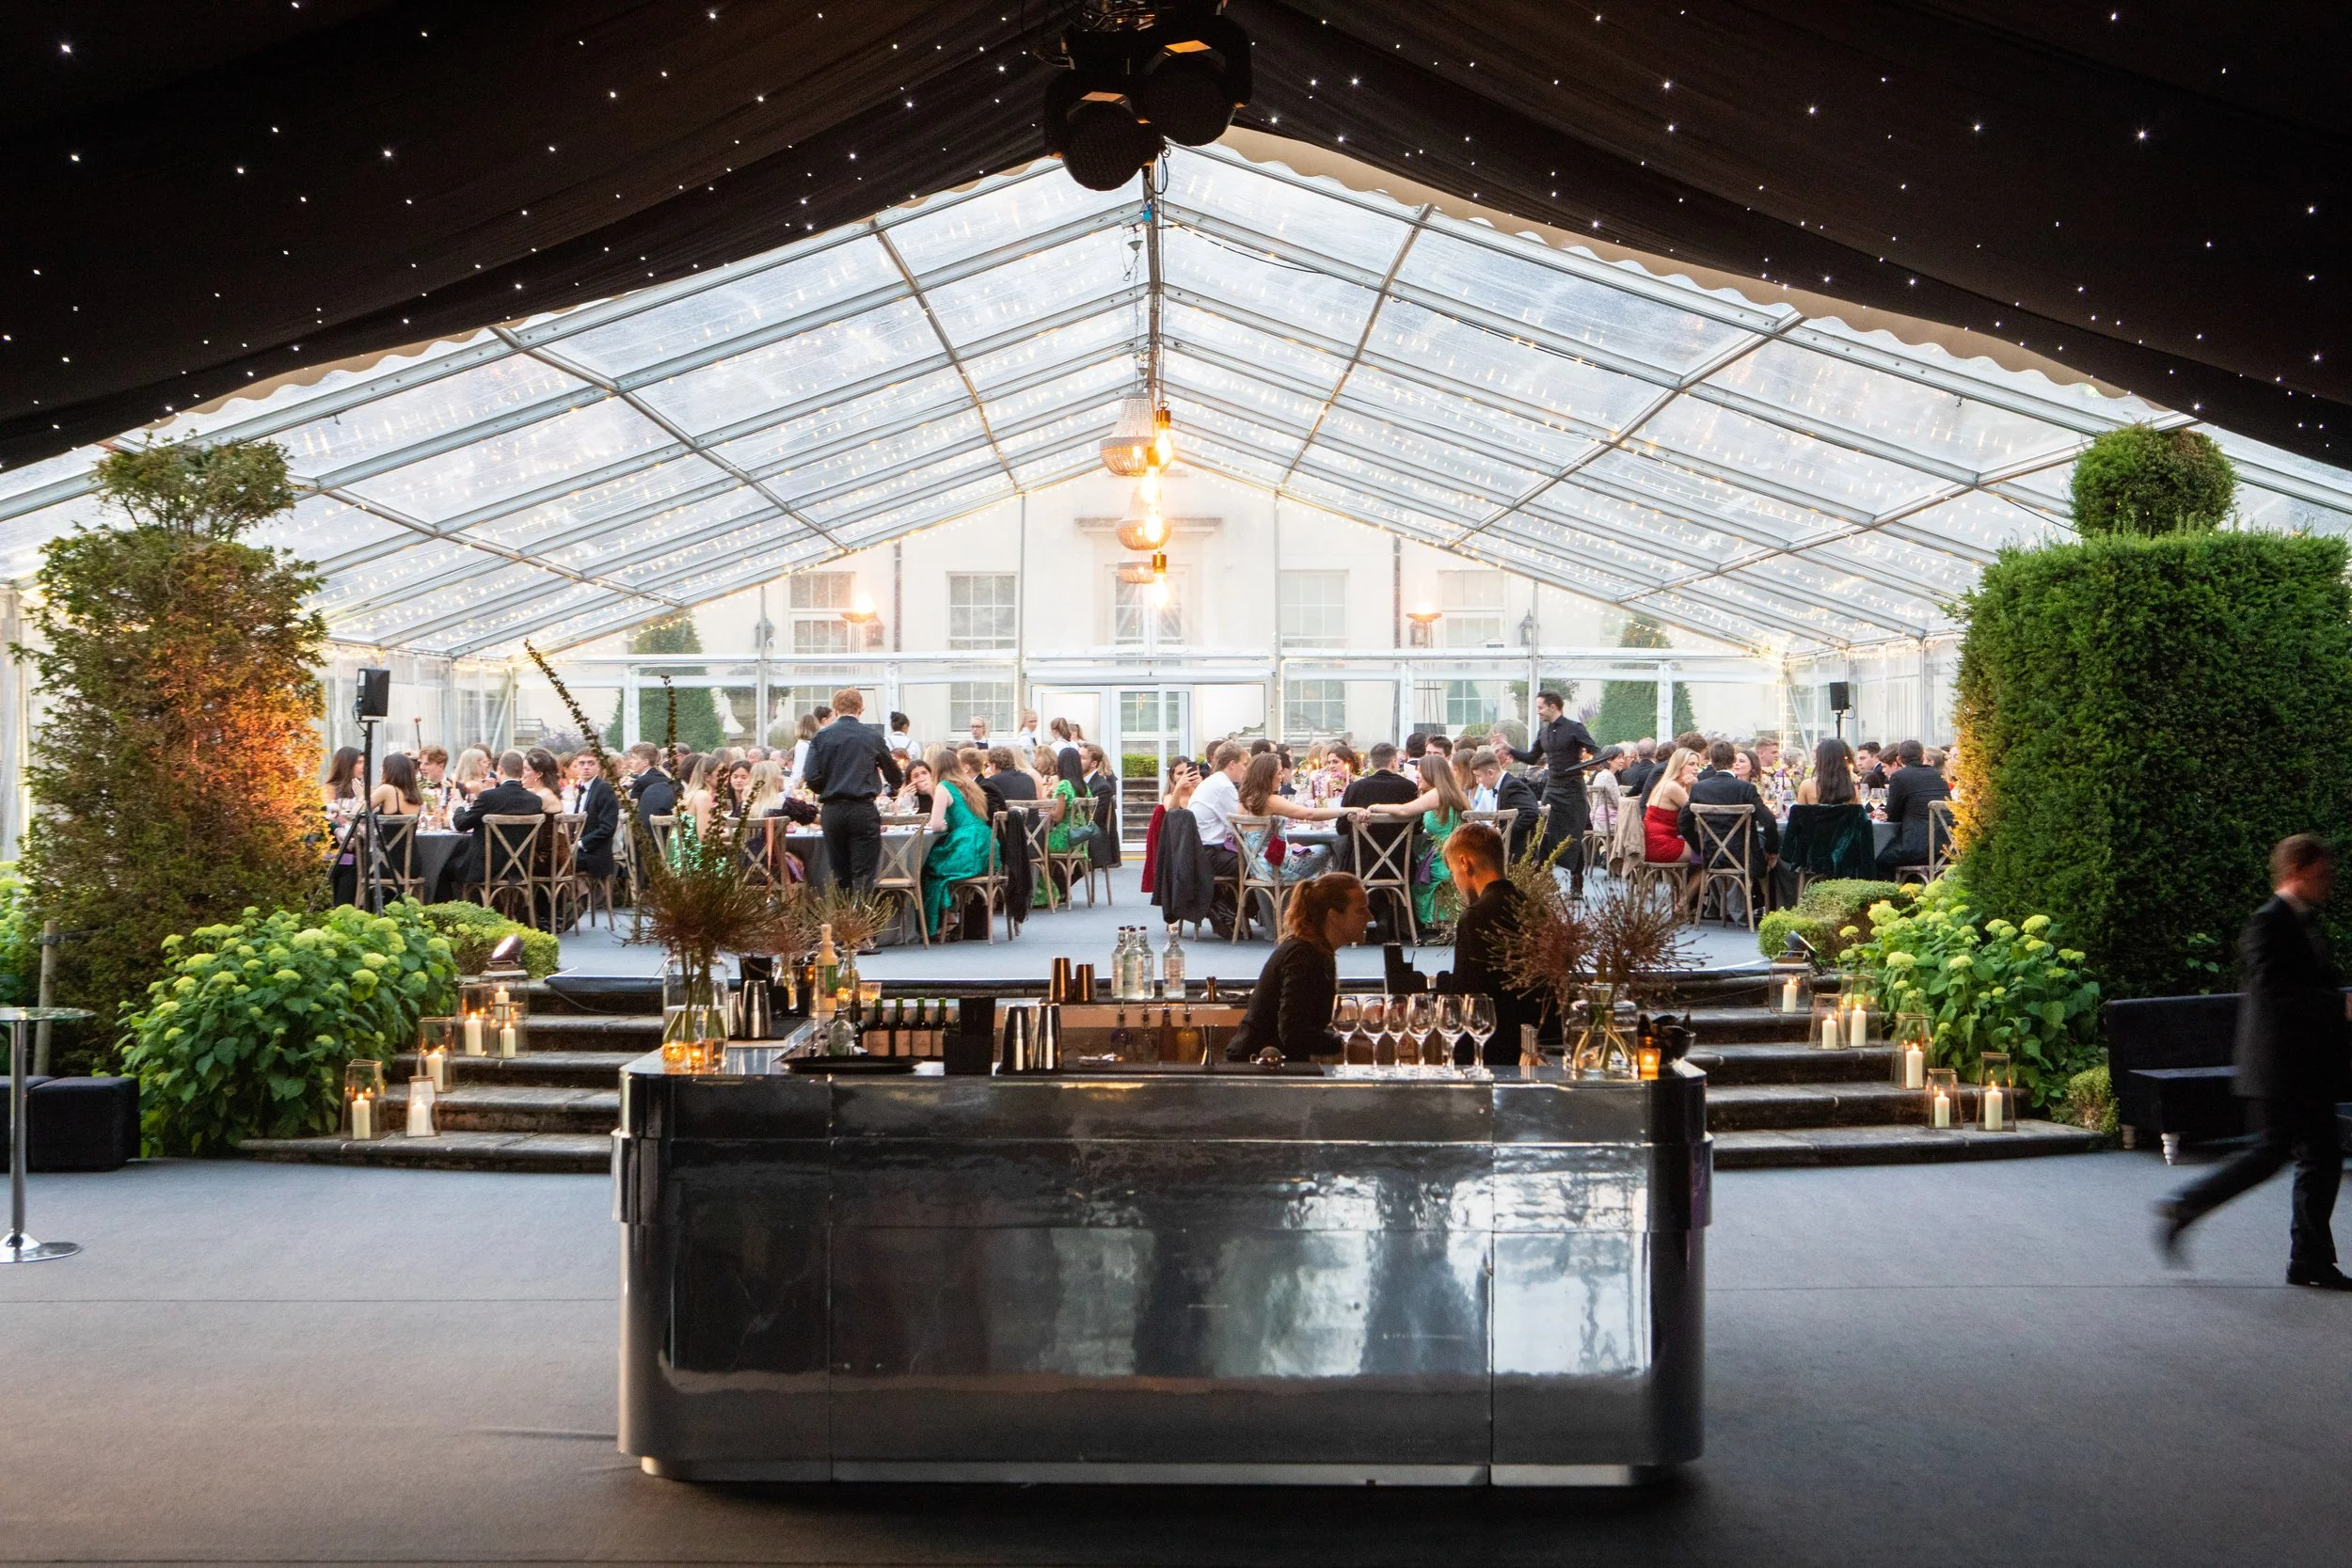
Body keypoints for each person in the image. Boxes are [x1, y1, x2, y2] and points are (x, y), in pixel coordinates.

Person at [2159, 835, 2352, 1288]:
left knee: (2317, 1159)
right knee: (2275, 1155)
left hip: (2303, 1067)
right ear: (2299, 870)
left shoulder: (2301, 922)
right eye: (2324, 873)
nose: (2330, 882)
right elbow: (2274, 994)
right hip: (2281, 1067)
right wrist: (2338, 1007)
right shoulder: (2268, 923)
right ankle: (2186, 1204)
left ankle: (2309, 1261)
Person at [1227, 874, 1371, 1063]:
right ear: (1334, 916)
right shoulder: (1303, 956)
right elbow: (1293, 1033)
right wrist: (1345, 1041)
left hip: (1272, 1064)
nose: (1370, 916)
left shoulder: (1313, 951)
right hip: (1259, 1068)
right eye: (1361, 910)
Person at [1439, 824, 1545, 1066]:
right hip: (1535, 1043)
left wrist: (1459, 1062)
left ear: (1465, 863)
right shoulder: (1535, 908)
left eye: (1453, 870)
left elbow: (1468, 996)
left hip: (1492, 1050)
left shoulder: (1475, 916)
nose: (1454, 880)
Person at [801, 687, 903, 891]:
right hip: (862, 810)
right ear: (861, 709)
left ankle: (843, 919)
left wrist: (830, 786)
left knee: (841, 876)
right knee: (864, 876)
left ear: (835, 710)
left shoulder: (821, 738)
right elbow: (895, 776)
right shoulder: (871, 737)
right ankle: (861, 920)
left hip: (832, 811)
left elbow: (811, 779)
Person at [1369, 752, 1471, 932]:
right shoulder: (1450, 792)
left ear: (1432, 774)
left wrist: (1375, 806)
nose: (1417, 775)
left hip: (1447, 858)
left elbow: (1404, 810)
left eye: (1420, 771)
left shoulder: (1438, 794)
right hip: (1450, 852)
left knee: (1411, 869)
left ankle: (1432, 923)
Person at [1679, 738, 1781, 913]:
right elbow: (1769, 821)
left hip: (1711, 854)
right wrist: (1772, 851)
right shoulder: (1745, 789)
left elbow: (1683, 822)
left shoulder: (1700, 788)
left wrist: (1700, 847)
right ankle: (1765, 909)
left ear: (1711, 761)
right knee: (1769, 854)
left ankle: (1722, 909)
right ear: (1734, 761)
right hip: (1744, 856)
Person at [1235, 751, 1359, 885]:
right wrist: (1346, 810)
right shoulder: (1271, 800)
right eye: (1279, 773)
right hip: (1276, 868)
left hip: (1256, 868)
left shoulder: (1244, 802)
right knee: (1326, 849)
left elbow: (1258, 839)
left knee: (1305, 849)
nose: (1282, 776)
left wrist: (1287, 847)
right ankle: (1323, 895)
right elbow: (1309, 814)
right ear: (1267, 776)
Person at [1524, 689, 1600, 895]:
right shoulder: (1544, 732)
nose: (1538, 712)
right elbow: (1532, 758)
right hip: (1552, 787)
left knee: (1574, 835)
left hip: (1574, 790)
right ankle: (1545, 883)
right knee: (1545, 834)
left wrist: (1588, 765)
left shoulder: (1574, 728)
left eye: (1540, 707)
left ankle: (1577, 883)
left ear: (1552, 706)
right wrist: (1509, 750)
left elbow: (1596, 750)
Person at [917, 746, 994, 939]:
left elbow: (935, 825)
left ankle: (940, 922)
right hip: (986, 848)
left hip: (966, 848)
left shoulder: (943, 786)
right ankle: (949, 916)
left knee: (928, 869)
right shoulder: (969, 784)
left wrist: (944, 826)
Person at [451, 751, 543, 894]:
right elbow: (539, 839)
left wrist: (459, 808)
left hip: (486, 868)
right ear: (522, 772)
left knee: (444, 866)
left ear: (500, 770)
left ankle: (467, 911)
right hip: (520, 868)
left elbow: (461, 824)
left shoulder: (489, 797)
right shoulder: (535, 800)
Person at [1190, 740, 1250, 937]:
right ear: (1231, 764)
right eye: (1244, 763)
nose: (1246, 768)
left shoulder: (1213, 782)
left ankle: (1227, 908)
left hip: (1200, 851)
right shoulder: (1223, 786)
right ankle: (1224, 907)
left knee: (1253, 862)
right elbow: (1239, 825)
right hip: (1209, 853)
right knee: (1256, 866)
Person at [1874, 738, 1952, 875]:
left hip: (1917, 846)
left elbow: (1892, 815)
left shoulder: (1899, 777)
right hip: (1946, 844)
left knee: (1878, 858)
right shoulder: (1938, 775)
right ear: (1922, 757)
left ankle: (1896, 893)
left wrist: (1886, 813)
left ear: (1899, 759)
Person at [1645, 746, 1704, 917]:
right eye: (1691, 764)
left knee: (1700, 852)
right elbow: (1696, 811)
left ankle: (1683, 903)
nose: (1696, 768)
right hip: (1660, 845)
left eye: (1697, 764)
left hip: (1652, 841)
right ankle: (1682, 905)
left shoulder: (1665, 784)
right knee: (1710, 857)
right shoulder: (1673, 787)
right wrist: (1694, 786)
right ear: (1679, 766)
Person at [1470, 748, 1544, 863]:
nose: (1477, 781)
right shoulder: (1505, 785)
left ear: (1491, 773)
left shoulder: (1511, 786)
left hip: (1517, 855)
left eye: (1478, 776)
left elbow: (1531, 814)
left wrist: (1502, 833)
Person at [567, 752, 620, 879]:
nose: (586, 767)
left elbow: (607, 828)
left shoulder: (604, 789)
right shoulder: (583, 789)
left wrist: (579, 844)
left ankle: (576, 897)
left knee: (555, 865)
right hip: (582, 852)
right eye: (582, 763)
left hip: (595, 855)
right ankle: (576, 897)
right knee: (549, 862)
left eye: (591, 763)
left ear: (598, 767)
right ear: (577, 766)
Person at [623, 741, 677, 820]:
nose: (631, 761)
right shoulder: (665, 777)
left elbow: (631, 809)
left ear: (645, 762)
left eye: (634, 758)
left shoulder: (641, 781)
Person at [1797, 737, 1857, 805]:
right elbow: (1859, 812)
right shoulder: (1853, 788)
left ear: (1820, 758)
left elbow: (1800, 814)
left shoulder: (1806, 786)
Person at [784, 712, 820, 792]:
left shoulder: (802, 745)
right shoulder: (818, 744)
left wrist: (791, 789)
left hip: (804, 788)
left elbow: (799, 770)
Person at [522, 747, 565, 814]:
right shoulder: (544, 793)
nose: (522, 773)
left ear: (539, 774)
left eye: (526, 769)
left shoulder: (542, 797)